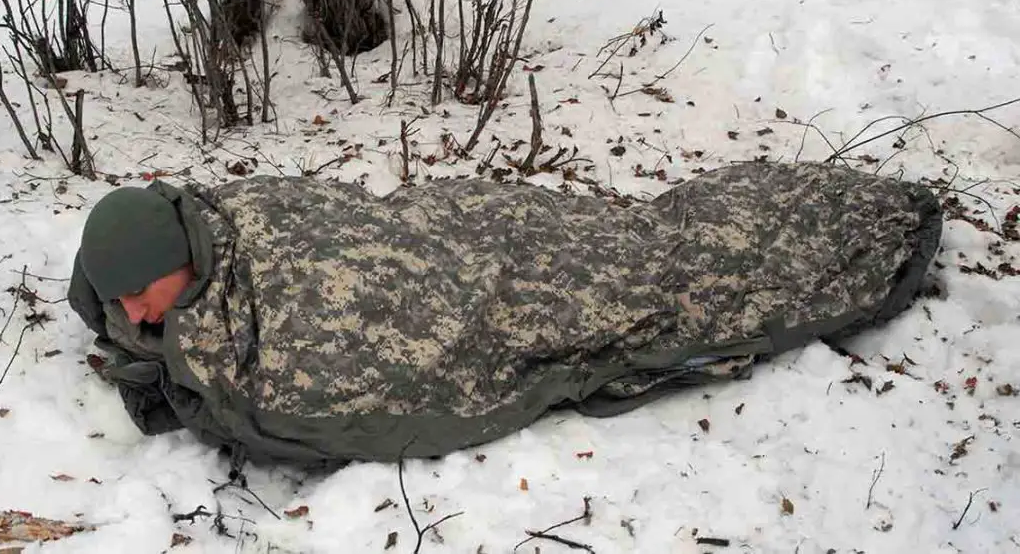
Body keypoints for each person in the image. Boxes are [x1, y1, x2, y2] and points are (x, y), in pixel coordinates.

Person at [68, 164, 941, 471]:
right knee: (643, 252)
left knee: (661, 269)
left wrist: (182, 380)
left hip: (478, 255)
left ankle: (855, 224)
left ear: (181, 245)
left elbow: (314, 400)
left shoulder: (235, 231)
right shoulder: (173, 258)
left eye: (144, 293)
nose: (134, 314)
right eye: (124, 305)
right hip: (451, 244)